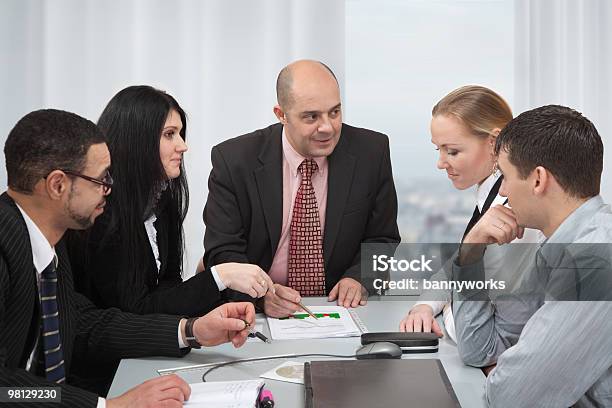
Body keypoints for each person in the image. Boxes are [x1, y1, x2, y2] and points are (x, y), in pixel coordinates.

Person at [0, 109, 255, 408]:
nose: (109, 189)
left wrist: (191, 331)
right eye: (100, 179)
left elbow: (83, 324)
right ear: (58, 185)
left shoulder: (48, 241)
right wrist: (107, 406)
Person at [203, 59, 400, 317]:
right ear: (281, 114)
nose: (328, 127)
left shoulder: (371, 152)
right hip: (258, 314)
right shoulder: (234, 160)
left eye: (334, 112)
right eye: (311, 116)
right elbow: (222, 251)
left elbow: (383, 239)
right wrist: (262, 297)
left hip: (341, 310)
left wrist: (359, 278)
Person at [454, 105, 612, 407]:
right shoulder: (552, 247)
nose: (503, 190)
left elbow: (513, 397)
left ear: (538, 180)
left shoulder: (596, 262)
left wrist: (508, 372)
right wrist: (470, 252)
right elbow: (480, 349)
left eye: (504, 175)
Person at [67, 85, 273, 318]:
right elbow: (134, 309)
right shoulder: (101, 212)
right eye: (169, 134)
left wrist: (212, 281)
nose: (183, 146)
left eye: (180, 134)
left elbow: (167, 289)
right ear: (137, 140)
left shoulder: (161, 201)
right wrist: (218, 277)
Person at [398, 85, 542, 341]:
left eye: (452, 151)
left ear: (494, 143)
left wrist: (449, 308)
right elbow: (457, 265)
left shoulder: (512, 213)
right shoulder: (489, 194)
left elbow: (478, 325)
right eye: (438, 149)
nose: (440, 163)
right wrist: (425, 306)